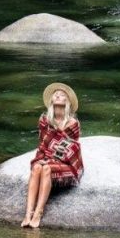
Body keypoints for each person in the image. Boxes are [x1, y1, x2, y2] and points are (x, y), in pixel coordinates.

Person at [21, 82, 83, 228]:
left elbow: (71, 149)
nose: (57, 95)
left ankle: (39, 212)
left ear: (67, 102)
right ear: (51, 101)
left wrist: (49, 160)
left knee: (46, 168)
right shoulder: (44, 121)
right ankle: (28, 213)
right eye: (55, 94)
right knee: (37, 168)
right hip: (45, 157)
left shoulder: (73, 123)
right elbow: (42, 145)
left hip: (66, 163)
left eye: (62, 95)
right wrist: (44, 159)